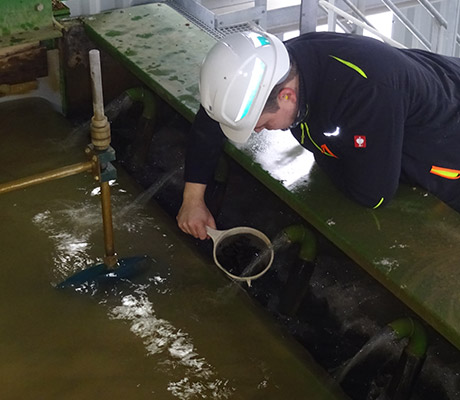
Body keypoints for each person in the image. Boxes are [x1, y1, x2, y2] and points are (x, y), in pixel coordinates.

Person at [177, 30, 460, 239]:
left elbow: (373, 193)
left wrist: (326, 151)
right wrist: (192, 200)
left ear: (287, 96)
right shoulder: (275, 65)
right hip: (423, 84)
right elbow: (214, 115)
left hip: (446, 140)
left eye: (261, 123)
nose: (257, 131)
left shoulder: (365, 94)